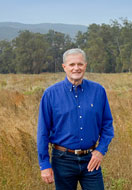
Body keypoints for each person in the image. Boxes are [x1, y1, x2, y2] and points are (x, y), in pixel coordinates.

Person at [37, 48, 114, 190]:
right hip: (62, 161)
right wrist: (44, 165)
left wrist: (100, 151)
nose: (76, 68)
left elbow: (107, 125)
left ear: (85, 65)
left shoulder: (98, 91)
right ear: (64, 67)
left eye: (80, 64)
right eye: (72, 65)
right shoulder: (50, 94)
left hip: (91, 160)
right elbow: (43, 132)